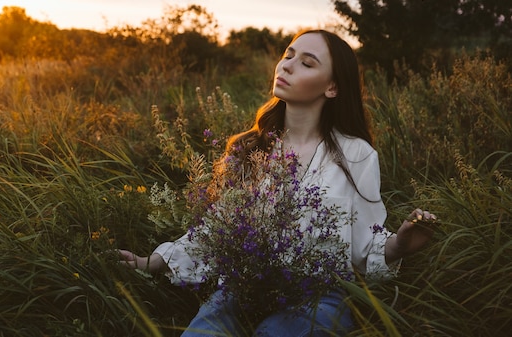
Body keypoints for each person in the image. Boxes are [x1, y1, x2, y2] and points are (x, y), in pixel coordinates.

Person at [119, 29, 437, 336]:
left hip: (320, 294)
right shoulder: (250, 149)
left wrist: (399, 245)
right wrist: (157, 260)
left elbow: (365, 247)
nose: (287, 65)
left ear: (332, 88)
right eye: (288, 55)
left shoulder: (357, 155)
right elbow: (220, 227)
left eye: (306, 63)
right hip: (242, 285)